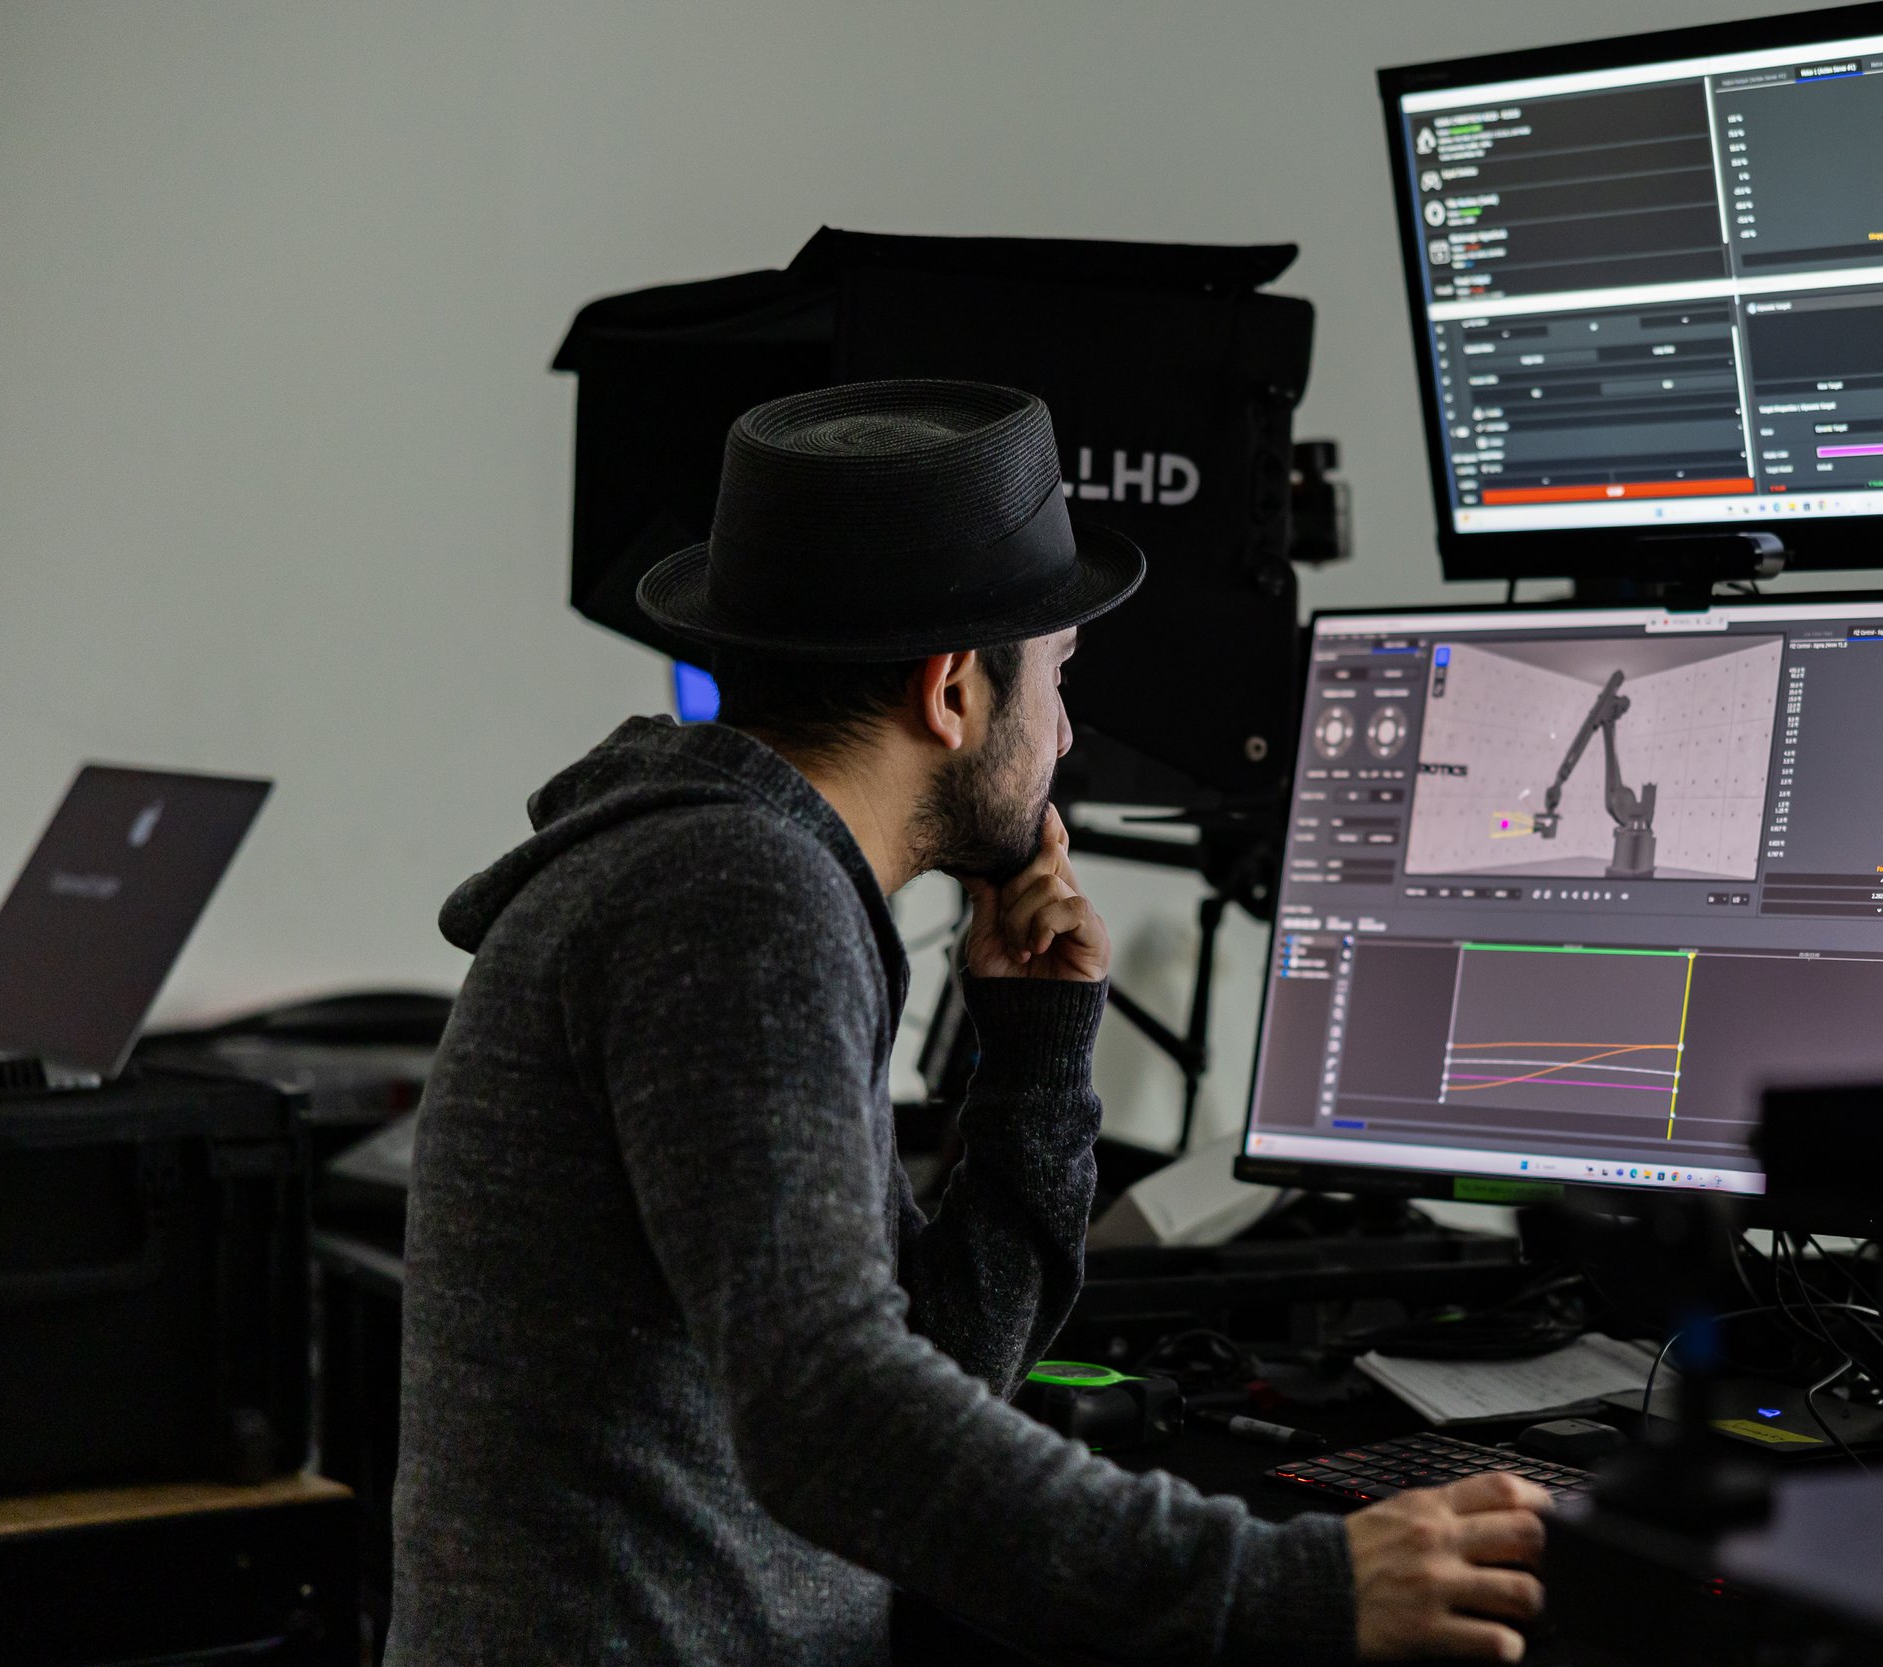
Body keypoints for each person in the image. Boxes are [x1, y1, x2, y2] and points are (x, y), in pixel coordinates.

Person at [387, 381, 1549, 1667]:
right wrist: (1283, 1588)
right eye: (1057, 676)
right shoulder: (738, 896)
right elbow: (833, 1415)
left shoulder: (710, 874)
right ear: (951, 691)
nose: (1065, 732)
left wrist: (1036, 1057)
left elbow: (930, 1364)